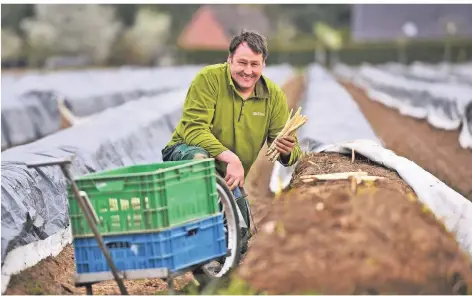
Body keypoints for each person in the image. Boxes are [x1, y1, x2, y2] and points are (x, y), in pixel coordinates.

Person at [161, 29, 302, 252]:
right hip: (186, 157)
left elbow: (290, 154)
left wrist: (287, 150)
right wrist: (230, 158)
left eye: (254, 64)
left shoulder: (273, 96)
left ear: (263, 64)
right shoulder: (209, 79)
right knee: (199, 160)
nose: (248, 71)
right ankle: (188, 231)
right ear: (229, 60)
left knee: (240, 239)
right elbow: (194, 129)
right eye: (241, 63)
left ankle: (217, 273)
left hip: (229, 177)